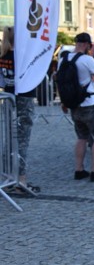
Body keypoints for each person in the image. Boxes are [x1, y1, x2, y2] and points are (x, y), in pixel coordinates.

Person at [60, 33, 94, 182]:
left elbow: (62, 83)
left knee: (81, 137)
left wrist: (64, 102)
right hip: (90, 103)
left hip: (74, 106)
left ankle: (79, 170)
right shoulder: (87, 60)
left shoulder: (63, 59)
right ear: (86, 45)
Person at [0, 26, 40, 194]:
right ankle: (21, 180)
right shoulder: (22, 57)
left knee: (9, 140)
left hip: (9, 99)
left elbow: (2, 82)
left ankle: (9, 178)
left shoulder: (3, 56)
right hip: (23, 100)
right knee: (22, 140)